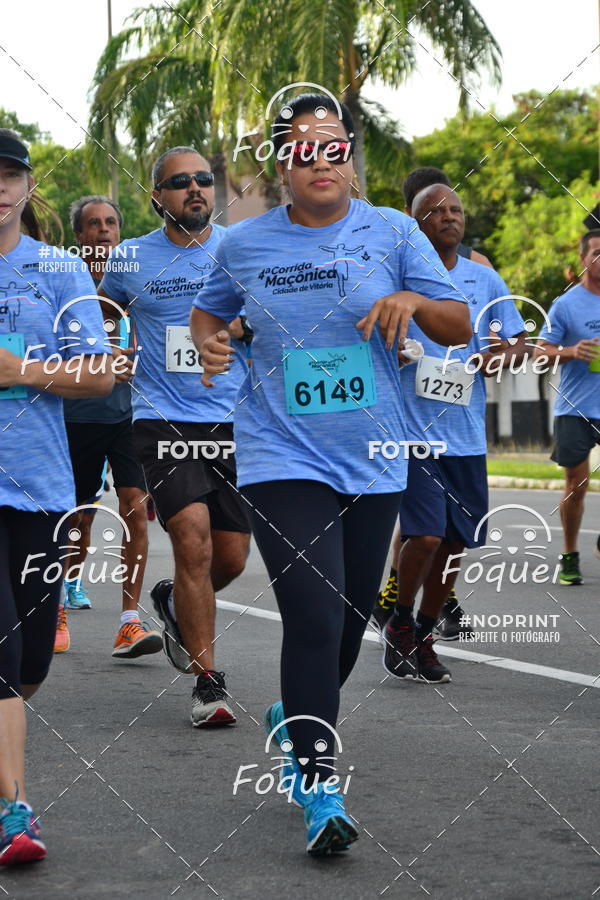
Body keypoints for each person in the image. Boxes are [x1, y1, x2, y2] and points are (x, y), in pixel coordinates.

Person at [190, 94, 471, 854]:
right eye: (303, 148)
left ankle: (295, 715)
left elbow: (459, 322)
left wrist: (410, 298)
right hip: (282, 455)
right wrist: (214, 345)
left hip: (375, 457)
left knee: (345, 630)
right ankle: (318, 784)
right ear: (282, 163)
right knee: (312, 618)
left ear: (350, 156)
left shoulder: (392, 229)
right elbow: (210, 316)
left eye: (334, 146)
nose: (321, 160)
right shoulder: (244, 245)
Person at [99, 147, 251, 726]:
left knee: (231, 557)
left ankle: (170, 602)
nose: (195, 189)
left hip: (235, 420)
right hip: (163, 417)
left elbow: (270, 313)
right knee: (192, 538)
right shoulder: (131, 258)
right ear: (156, 196)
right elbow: (103, 312)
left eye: (203, 180)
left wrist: (240, 327)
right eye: (180, 182)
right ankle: (207, 684)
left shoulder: (240, 249)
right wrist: (105, 344)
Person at [0, 130, 113, 864]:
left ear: (29, 186)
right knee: (3, 648)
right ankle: (15, 812)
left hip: (39, 487)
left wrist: (19, 370)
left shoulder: (60, 271)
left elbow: (100, 376)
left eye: (11, 175)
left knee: (31, 662)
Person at [375, 183, 526, 683]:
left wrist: (493, 356)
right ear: (414, 223)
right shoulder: (396, 279)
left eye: (456, 209)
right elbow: (368, 336)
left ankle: (422, 631)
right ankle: (397, 619)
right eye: (434, 211)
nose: (448, 216)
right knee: (425, 533)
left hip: (465, 434)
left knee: (456, 542)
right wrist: (391, 352)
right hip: (412, 432)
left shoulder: (484, 280)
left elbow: (518, 343)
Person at [55, 195, 159, 660]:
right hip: (77, 418)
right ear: (79, 235)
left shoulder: (135, 280)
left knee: (135, 508)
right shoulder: (63, 283)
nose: (103, 231)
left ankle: (128, 623)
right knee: (79, 519)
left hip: (127, 416)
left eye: (111, 223)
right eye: (93, 224)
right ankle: (57, 602)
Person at [536, 230, 600, 585]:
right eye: (597, 252)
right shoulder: (567, 304)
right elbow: (540, 353)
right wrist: (572, 352)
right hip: (575, 407)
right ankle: (570, 553)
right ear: (583, 259)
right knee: (576, 483)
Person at [402, 167, 493, 268]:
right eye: (434, 210)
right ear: (410, 212)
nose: (448, 217)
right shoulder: (395, 262)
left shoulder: (478, 264)